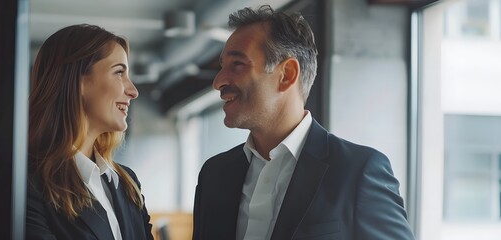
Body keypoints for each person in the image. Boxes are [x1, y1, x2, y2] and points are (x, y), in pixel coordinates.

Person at [192, 5, 415, 240]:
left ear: (287, 74)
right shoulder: (213, 175)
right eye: (222, 67)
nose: (218, 81)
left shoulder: (357, 172)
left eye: (237, 64)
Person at [26, 24, 153, 240]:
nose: (133, 90)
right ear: (78, 82)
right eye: (119, 72)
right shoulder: (24, 184)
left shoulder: (127, 184)